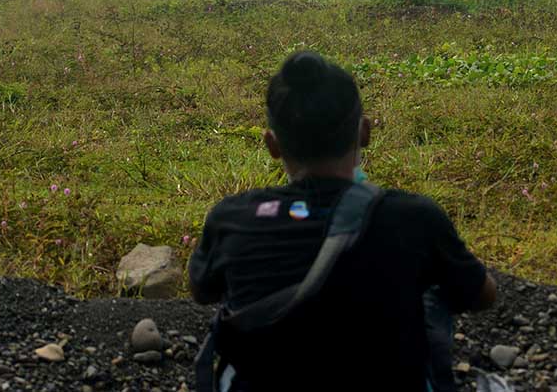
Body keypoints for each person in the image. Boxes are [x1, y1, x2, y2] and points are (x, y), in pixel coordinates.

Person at [189, 51, 496, 391]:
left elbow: (202, 291)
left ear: (272, 144)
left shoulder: (231, 217)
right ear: (364, 132)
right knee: (430, 296)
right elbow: (482, 295)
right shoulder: (414, 217)